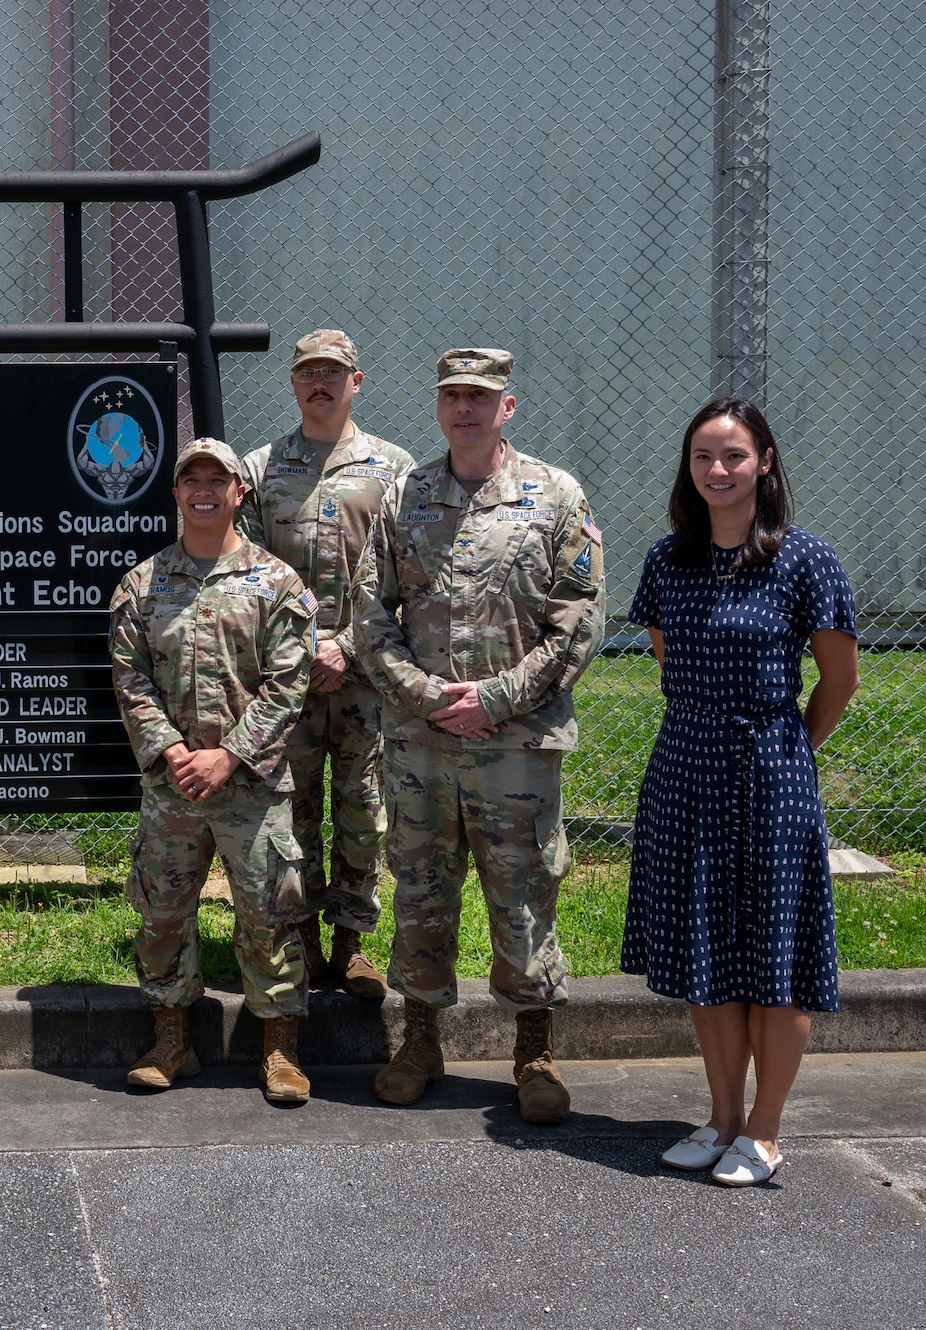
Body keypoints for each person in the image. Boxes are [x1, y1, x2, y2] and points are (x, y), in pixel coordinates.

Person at [353, 348, 604, 1123]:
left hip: (514, 747)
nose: (464, 408)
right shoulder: (407, 494)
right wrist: (426, 696)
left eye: (480, 397)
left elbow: (580, 620)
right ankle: (421, 1041)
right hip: (423, 743)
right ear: (439, 406)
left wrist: (493, 699)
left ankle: (533, 1050)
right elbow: (368, 615)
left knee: (524, 895)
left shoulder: (555, 495)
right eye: (452, 396)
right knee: (422, 890)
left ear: (508, 407)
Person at [623, 398, 857, 1187]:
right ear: (687, 468)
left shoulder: (805, 560)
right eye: (702, 457)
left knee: (776, 955)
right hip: (684, 766)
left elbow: (839, 678)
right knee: (704, 951)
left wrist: (788, 752)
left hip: (772, 772)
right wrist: (714, 733)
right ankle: (720, 1117)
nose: (717, 471)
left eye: (732, 456)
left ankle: (763, 1129)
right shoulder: (667, 560)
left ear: (764, 462)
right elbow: (668, 660)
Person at [111, 437, 316, 1103]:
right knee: (162, 910)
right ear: (175, 493)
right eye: (191, 479)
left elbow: (289, 685)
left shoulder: (277, 583)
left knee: (268, 912)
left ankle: (279, 1047)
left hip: (251, 785)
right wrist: (174, 751)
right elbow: (131, 680)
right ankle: (171, 1039)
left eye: (217, 480)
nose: (204, 489)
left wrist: (227, 755)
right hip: (173, 787)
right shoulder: (141, 585)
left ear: (239, 493)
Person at [237, 329, 413, 1002]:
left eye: (332, 373)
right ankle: (303, 939)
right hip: (288, 677)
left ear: (356, 381)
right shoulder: (259, 469)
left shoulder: (393, 468)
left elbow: (406, 572)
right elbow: (244, 565)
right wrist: (306, 647)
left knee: (364, 810)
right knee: (294, 809)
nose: (320, 382)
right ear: (292, 384)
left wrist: (349, 644)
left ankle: (354, 943)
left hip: (366, 672)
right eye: (308, 372)